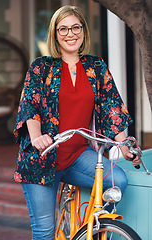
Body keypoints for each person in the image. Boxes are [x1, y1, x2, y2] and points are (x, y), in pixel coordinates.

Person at [13, 5, 141, 239]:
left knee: (118, 181)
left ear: (83, 31)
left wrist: (124, 145)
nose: (70, 34)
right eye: (63, 29)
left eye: (75, 27)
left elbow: (112, 108)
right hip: (42, 159)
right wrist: (36, 137)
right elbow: (29, 105)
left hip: (77, 156)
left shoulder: (96, 66)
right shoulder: (42, 67)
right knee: (44, 232)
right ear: (54, 33)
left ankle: (89, 230)